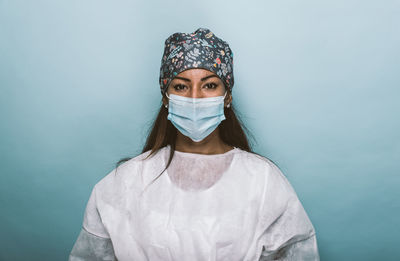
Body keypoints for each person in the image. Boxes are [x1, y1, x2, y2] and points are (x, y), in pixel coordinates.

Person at [68, 27, 320, 261]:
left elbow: (297, 251)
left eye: (209, 85)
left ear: (227, 96)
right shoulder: (123, 183)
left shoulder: (263, 181)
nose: (195, 98)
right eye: (181, 86)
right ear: (166, 97)